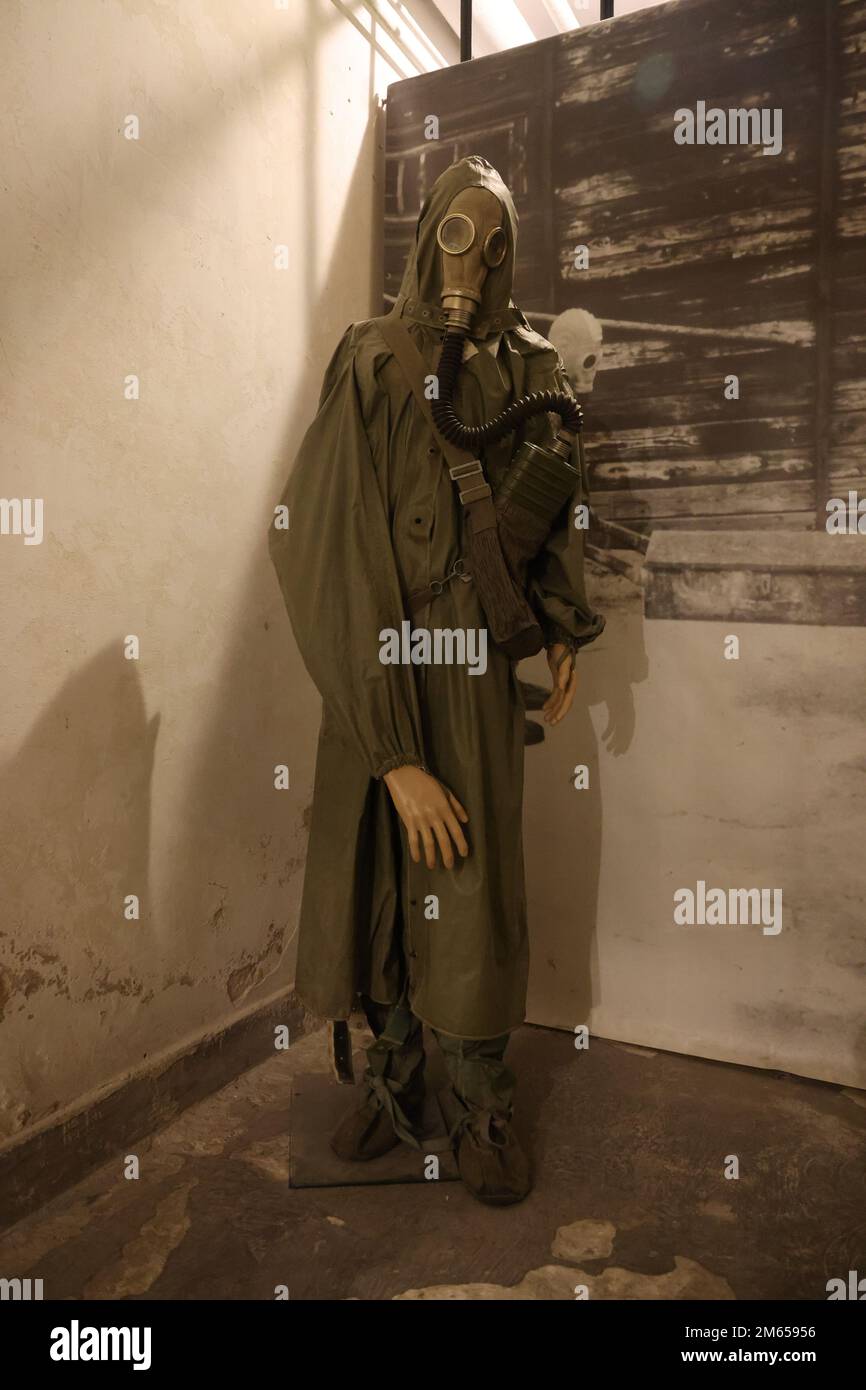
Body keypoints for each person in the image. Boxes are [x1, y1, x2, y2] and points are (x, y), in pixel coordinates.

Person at [269, 155, 604, 1205]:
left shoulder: (530, 366)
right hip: (384, 657)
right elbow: (322, 547)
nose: (472, 255)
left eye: (493, 236)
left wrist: (562, 625)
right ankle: (397, 1074)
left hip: (470, 669)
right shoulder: (373, 359)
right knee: (382, 867)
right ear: (425, 236)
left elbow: (547, 504)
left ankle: (477, 1096)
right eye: (455, 230)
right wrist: (390, 748)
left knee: (468, 881)